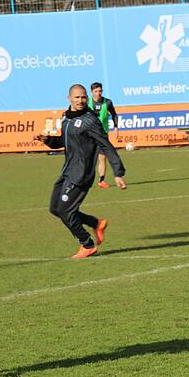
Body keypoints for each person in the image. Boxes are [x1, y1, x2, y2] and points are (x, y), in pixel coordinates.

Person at [34, 84, 127, 258]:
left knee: (65, 211)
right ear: (69, 98)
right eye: (77, 97)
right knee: (55, 208)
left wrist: (118, 172)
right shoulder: (66, 117)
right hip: (68, 171)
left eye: (83, 97)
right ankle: (95, 223)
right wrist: (47, 140)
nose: (80, 100)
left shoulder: (90, 120)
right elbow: (63, 141)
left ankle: (87, 245)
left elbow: (106, 146)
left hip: (81, 173)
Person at [88, 82, 120, 188]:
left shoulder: (107, 102)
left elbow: (114, 114)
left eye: (100, 91)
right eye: (96, 91)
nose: (98, 93)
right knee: (87, 157)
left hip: (102, 134)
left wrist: (116, 127)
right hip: (89, 133)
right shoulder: (87, 102)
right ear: (92, 92)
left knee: (102, 157)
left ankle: (101, 180)